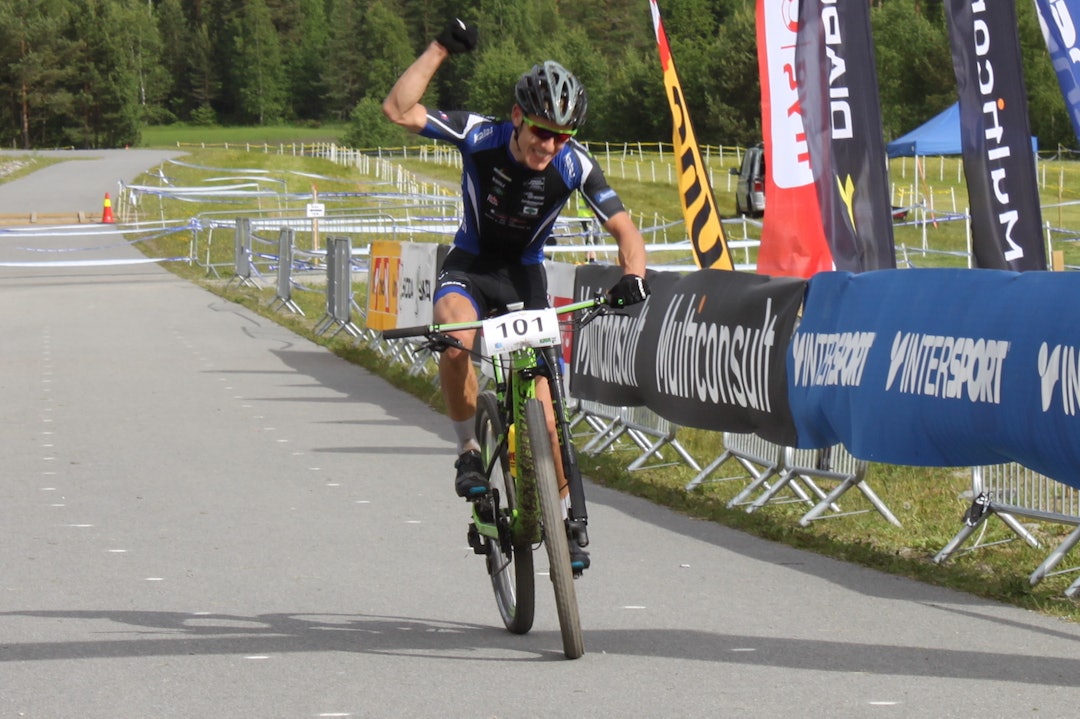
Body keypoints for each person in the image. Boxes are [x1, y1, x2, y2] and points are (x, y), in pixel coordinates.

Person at [382, 18, 650, 516]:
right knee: (457, 336)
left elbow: (625, 229)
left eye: (561, 137)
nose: (548, 147)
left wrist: (634, 275)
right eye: (541, 132)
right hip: (471, 264)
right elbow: (398, 110)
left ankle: (561, 517)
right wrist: (441, 48)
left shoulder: (576, 165)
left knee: (547, 424)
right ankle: (466, 450)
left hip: (524, 276)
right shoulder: (480, 135)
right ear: (518, 118)